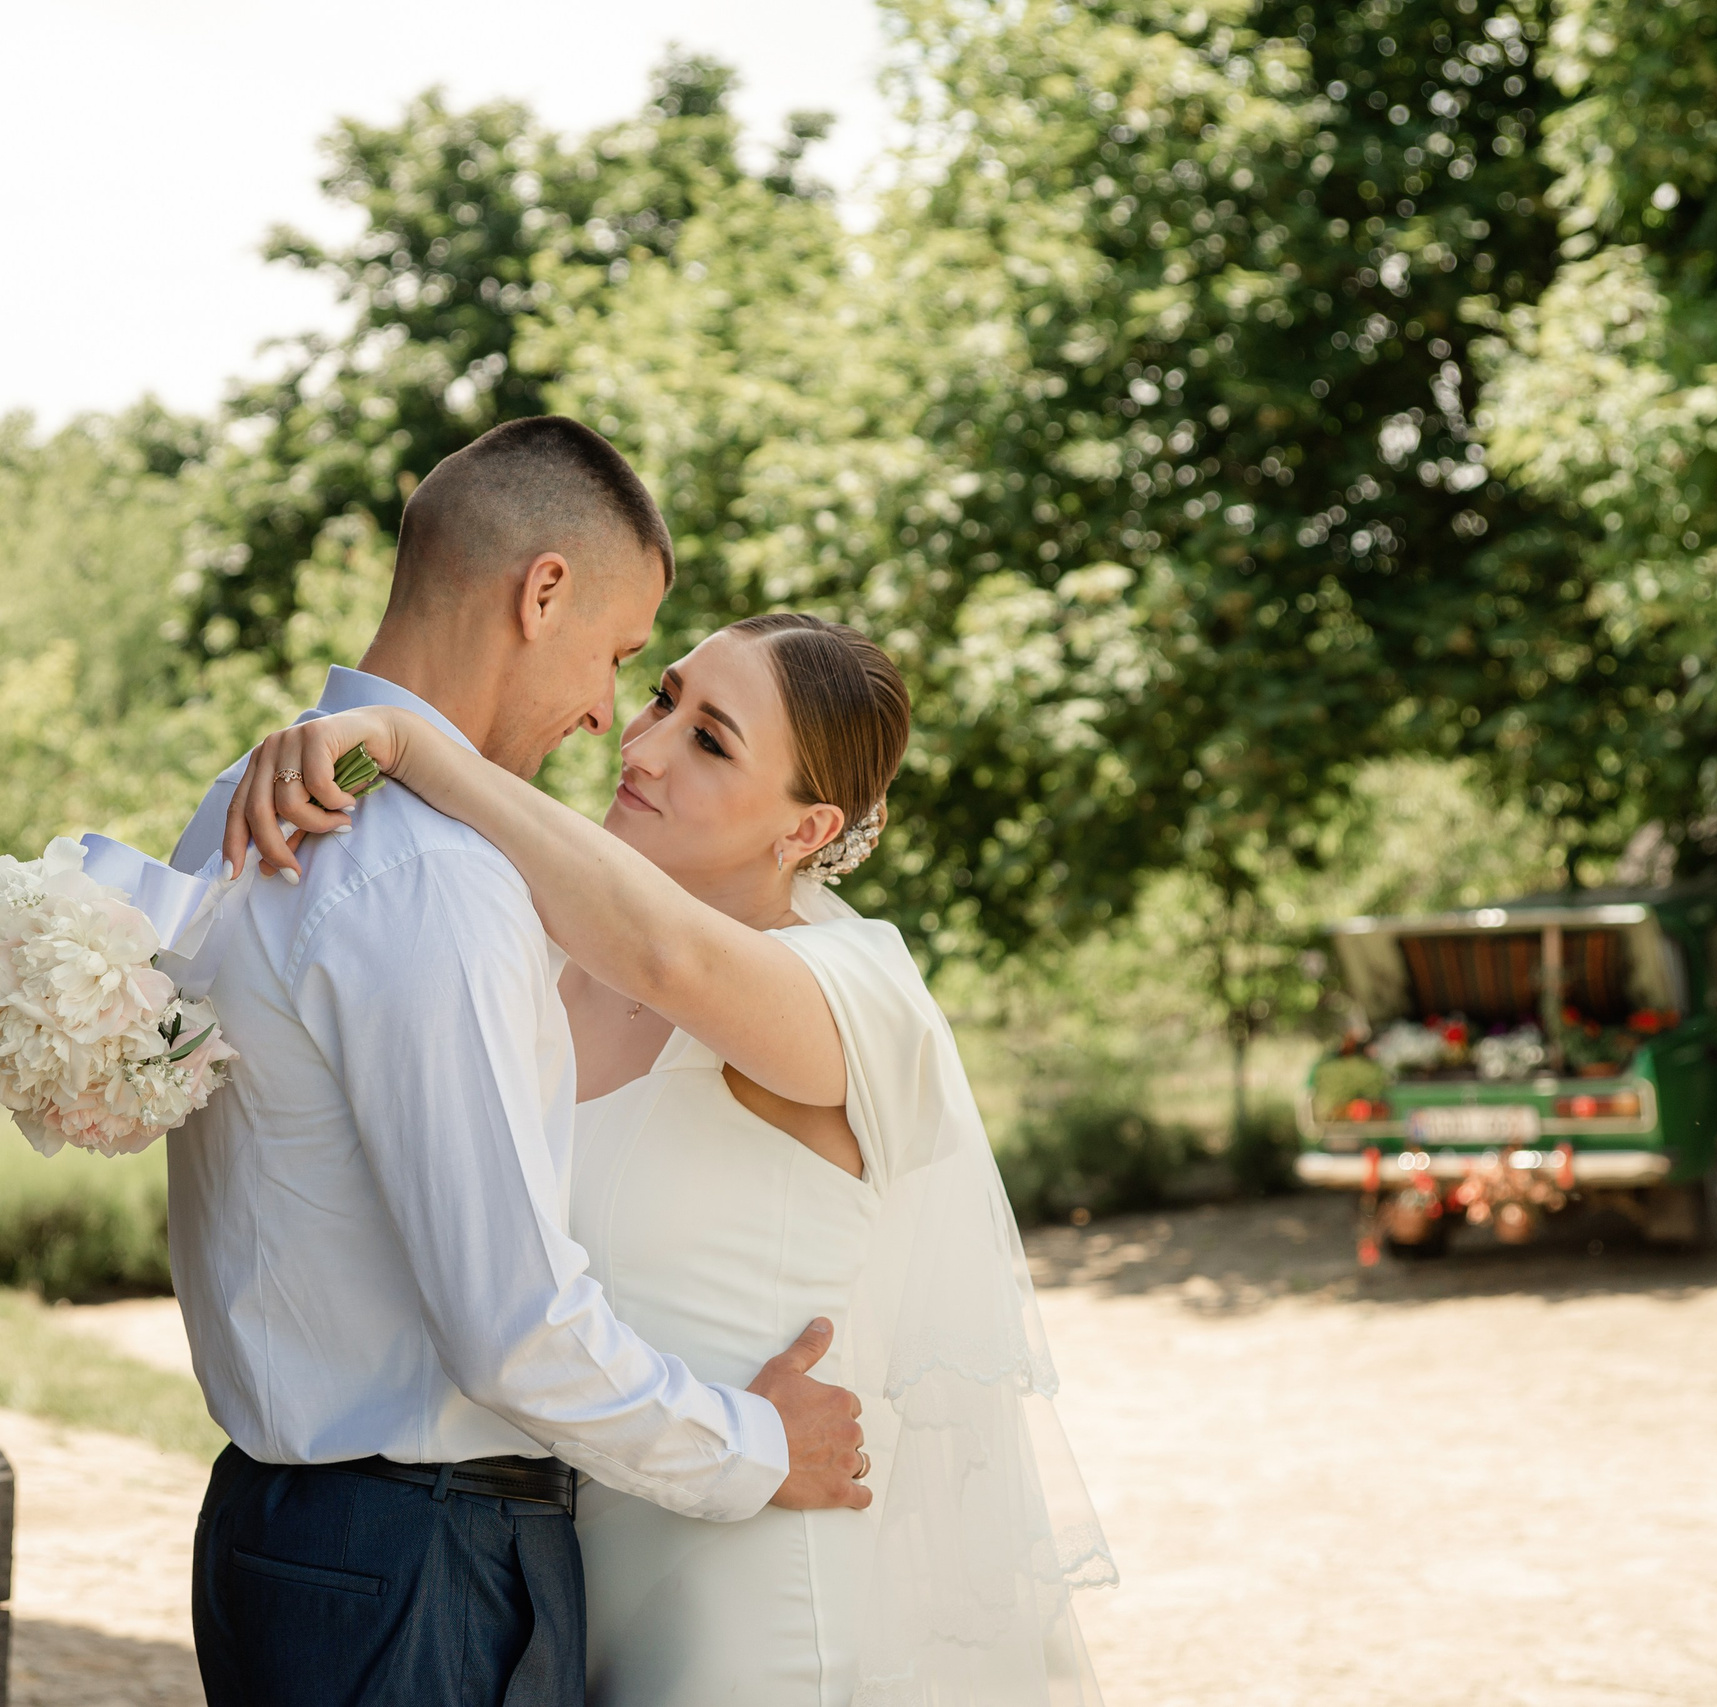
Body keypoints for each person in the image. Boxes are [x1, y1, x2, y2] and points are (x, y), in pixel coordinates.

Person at [226, 611, 1114, 1703]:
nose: (641, 746)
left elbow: (671, 953)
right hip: (568, 1574)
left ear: (805, 829)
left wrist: (414, 746)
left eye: (711, 740)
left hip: (754, 1589)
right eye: (663, 698)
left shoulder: (853, 990)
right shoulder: (541, 963)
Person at [160, 417, 871, 1707]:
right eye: (620, 659)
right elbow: (516, 1334)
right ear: (541, 590)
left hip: (281, 1532)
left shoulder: (237, 800)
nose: (608, 713)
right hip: (420, 1564)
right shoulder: (431, 874)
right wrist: (756, 1449)